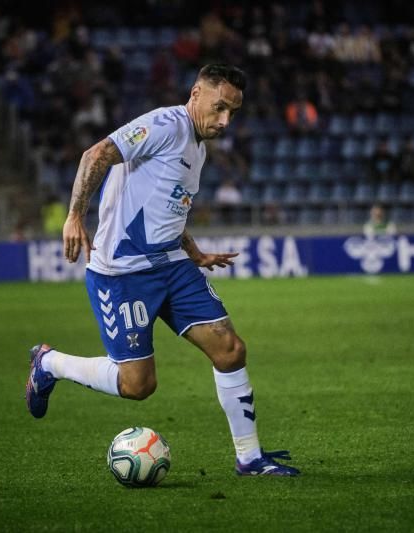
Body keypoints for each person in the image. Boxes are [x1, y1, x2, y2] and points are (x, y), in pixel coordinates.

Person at [25, 64, 299, 477]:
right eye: (219, 107)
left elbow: (167, 210)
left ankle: (250, 457)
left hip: (171, 264)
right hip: (122, 272)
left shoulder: (198, 147)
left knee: (230, 350)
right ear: (195, 94)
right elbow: (96, 154)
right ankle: (49, 364)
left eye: (233, 113)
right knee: (138, 385)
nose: (225, 121)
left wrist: (195, 251)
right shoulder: (165, 125)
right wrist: (74, 216)